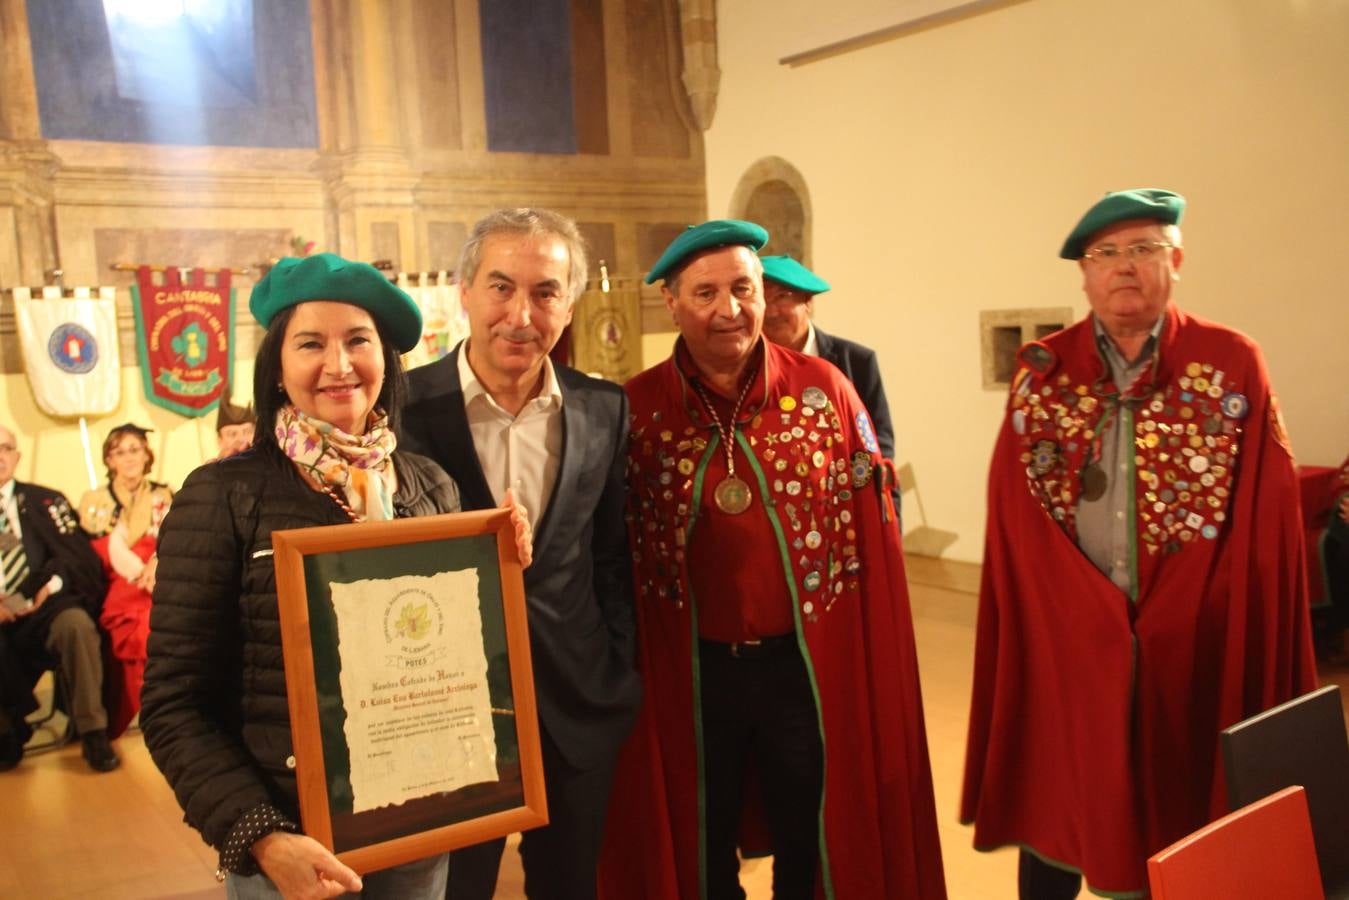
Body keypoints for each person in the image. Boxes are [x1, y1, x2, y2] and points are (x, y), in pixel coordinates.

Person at [960, 188, 1318, 898]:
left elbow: (1264, 511)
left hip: (1192, 635)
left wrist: (1202, 606)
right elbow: (1014, 514)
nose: (1124, 267)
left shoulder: (1231, 360)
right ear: (1084, 276)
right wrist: (1063, 608)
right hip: (1067, 636)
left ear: (1176, 261)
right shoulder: (1042, 371)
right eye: (1106, 254)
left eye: (1144, 249)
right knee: (1058, 790)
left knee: (1178, 796)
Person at [141, 252, 532, 900]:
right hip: (289, 846)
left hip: (415, 825)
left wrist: (498, 576)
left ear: (386, 357)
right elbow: (171, 703)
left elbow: (459, 658)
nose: (339, 364)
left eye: (358, 341)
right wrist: (262, 836)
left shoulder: (430, 485)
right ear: (277, 367)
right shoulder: (222, 497)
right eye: (310, 344)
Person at [599, 220, 946, 899]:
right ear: (670, 302)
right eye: (705, 292)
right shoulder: (634, 411)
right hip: (692, 674)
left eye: (742, 288)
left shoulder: (826, 393)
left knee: (809, 833)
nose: (728, 309)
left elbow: (871, 539)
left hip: (804, 670)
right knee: (702, 837)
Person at [400, 208, 641, 900]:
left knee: (570, 887)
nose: (521, 314)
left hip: (578, 702)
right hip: (449, 711)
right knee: (457, 890)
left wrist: (617, 671)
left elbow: (610, 555)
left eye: (545, 291)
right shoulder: (404, 411)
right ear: (464, 292)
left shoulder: (603, 409)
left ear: (569, 302)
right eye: (501, 287)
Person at [0, 424, 115, 773]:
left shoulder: (46, 501)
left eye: (5, 448)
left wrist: (45, 587)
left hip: (45, 609)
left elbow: (78, 559)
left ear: (16, 456)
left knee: (76, 624)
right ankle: (7, 731)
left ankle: (93, 731)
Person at [78, 423, 173, 736]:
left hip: (160, 579)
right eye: (120, 452)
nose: (129, 458)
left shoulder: (164, 494)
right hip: (121, 583)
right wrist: (140, 574)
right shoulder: (95, 500)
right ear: (109, 460)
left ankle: (174, 707)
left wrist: (157, 565)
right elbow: (107, 547)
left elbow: (172, 540)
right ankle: (146, 710)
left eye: (135, 449)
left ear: (146, 454)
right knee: (142, 624)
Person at [760, 254, 896, 464]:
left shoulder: (857, 361)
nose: (771, 311)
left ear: (808, 302)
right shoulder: (743, 366)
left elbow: (880, 444)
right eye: (761, 299)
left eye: (782, 296)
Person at [216, 391, 257, 460]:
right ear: (220, 441)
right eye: (233, 434)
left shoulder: (274, 467)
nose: (242, 439)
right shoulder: (212, 470)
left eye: (248, 432)